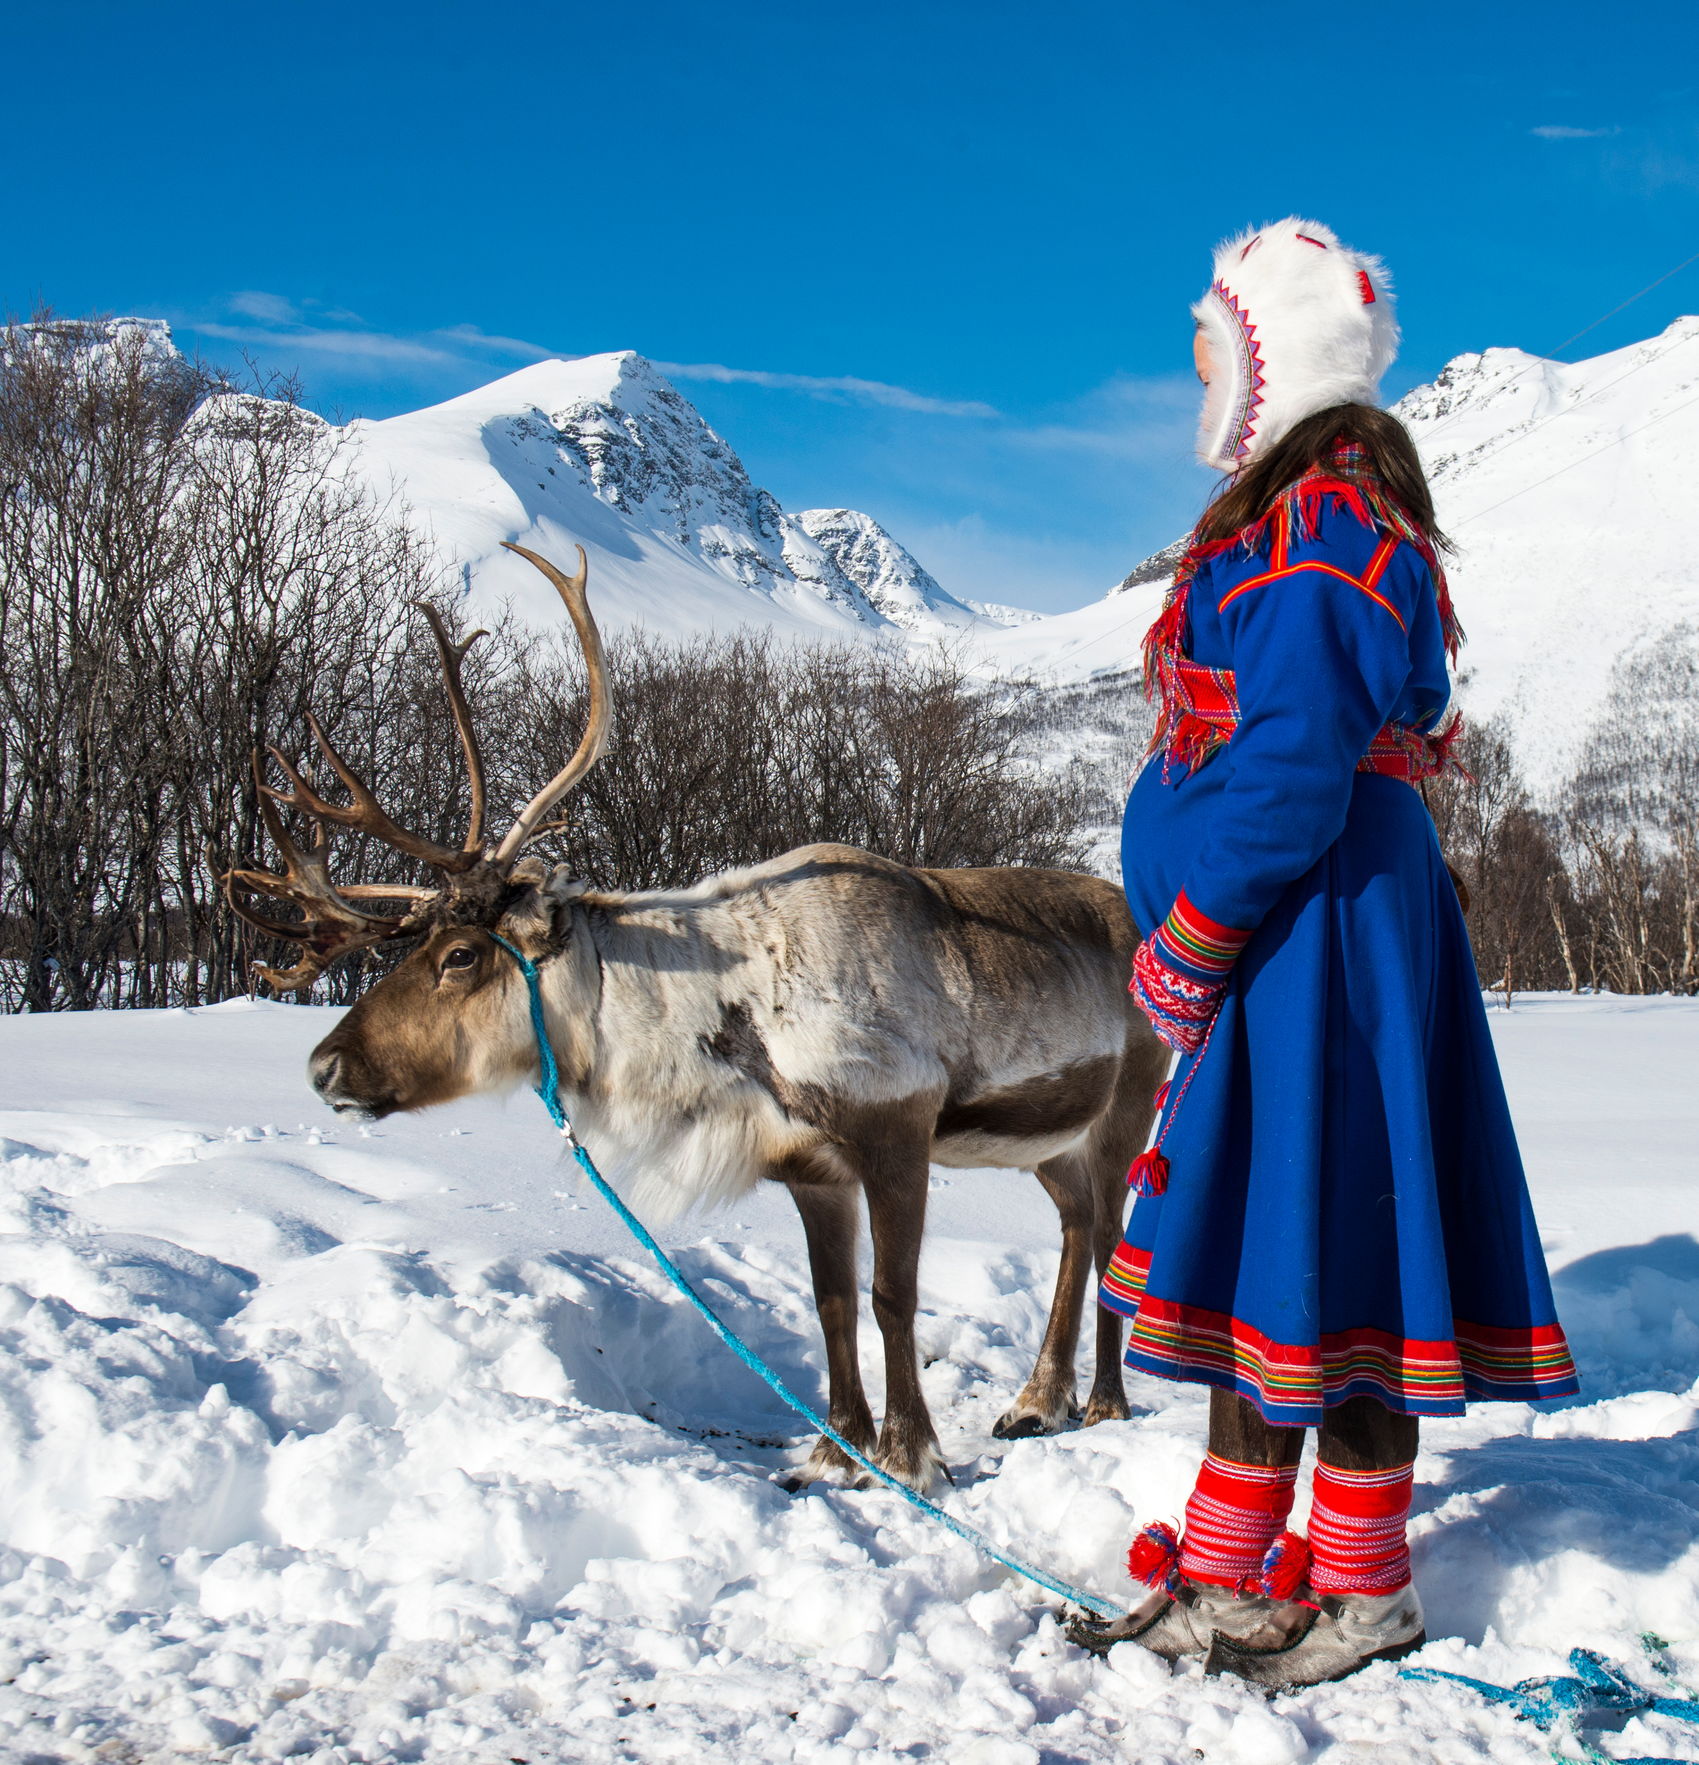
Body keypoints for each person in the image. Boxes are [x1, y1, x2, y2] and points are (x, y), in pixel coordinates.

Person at [1066, 219, 1578, 1687]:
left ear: (1272, 361)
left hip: (1315, 944)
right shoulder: (1302, 523)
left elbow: (1294, 765)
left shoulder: (1325, 535)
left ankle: (1362, 1592)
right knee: (1269, 1255)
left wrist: (1192, 936)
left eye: (1211, 350)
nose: (1196, 379)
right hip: (1303, 939)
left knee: (1339, 1248)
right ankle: (1230, 1573)